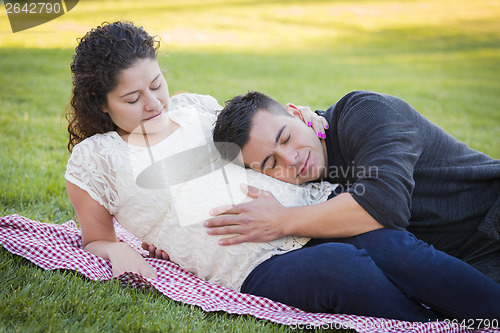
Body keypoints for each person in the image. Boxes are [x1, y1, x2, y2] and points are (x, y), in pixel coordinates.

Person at [64, 21, 496, 321]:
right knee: (344, 270)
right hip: (250, 259)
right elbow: (98, 237)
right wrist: (122, 249)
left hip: (312, 208)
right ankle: (434, 320)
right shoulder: (95, 159)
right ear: (101, 104)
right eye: (133, 98)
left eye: (157, 85)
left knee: (394, 248)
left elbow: (254, 131)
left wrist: (303, 121)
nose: (154, 103)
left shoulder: (194, 107)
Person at [208, 90, 500, 319]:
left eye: (286, 137)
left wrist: (282, 220)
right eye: (272, 164)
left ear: (297, 113)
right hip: (471, 265)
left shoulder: (364, 112)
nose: (292, 159)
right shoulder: (307, 189)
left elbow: (384, 204)